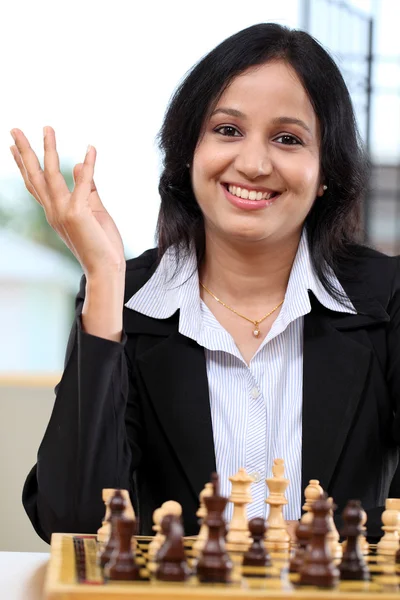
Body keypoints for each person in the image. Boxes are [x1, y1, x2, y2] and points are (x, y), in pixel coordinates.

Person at [14, 23, 400, 544]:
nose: (254, 164)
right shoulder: (127, 298)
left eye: (288, 139)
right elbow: (75, 524)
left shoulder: (386, 297)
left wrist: (292, 544)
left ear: (325, 169)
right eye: (227, 130)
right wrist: (106, 279)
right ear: (188, 150)